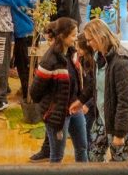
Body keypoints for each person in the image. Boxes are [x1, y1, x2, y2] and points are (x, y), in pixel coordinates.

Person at [31, 17, 87, 163]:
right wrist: (51, 107)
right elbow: (35, 92)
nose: (76, 39)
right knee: (57, 156)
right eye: (73, 35)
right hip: (58, 115)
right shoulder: (49, 60)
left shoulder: (73, 53)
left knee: (82, 148)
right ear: (62, 36)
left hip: (75, 109)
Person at [82, 18, 128, 162]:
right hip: (102, 119)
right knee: (93, 156)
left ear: (100, 37)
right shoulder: (98, 57)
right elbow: (94, 84)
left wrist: (119, 134)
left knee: (119, 165)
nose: (88, 44)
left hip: (119, 125)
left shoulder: (122, 64)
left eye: (90, 40)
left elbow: (126, 102)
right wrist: (80, 101)